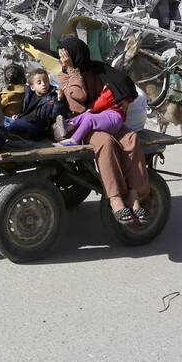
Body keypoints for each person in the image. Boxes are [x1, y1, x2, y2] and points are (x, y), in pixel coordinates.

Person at [56, 36, 150, 224]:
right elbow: (80, 97)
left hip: (108, 118)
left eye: (64, 55)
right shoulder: (65, 75)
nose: (61, 60)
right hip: (83, 125)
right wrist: (72, 69)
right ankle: (115, 198)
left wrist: (127, 97)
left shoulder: (98, 68)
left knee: (131, 139)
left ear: (74, 54)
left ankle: (135, 195)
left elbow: (125, 83)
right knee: (105, 142)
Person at [4, 68, 60, 139]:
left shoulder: (52, 96)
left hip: (36, 127)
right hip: (23, 120)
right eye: (39, 82)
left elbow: (55, 114)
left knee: (14, 126)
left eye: (46, 81)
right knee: (0, 119)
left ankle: (6, 133)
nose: (43, 84)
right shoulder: (29, 95)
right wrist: (19, 116)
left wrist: (59, 101)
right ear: (32, 87)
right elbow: (27, 112)